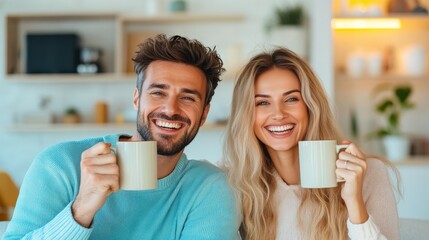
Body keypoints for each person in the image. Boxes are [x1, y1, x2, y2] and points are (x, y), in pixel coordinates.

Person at [4, 34, 240, 239]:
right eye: (158, 92)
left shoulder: (209, 187)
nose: (170, 109)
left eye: (188, 98)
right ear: (137, 99)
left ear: (204, 113)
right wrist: (81, 209)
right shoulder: (60, 164)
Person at [222, 47, 399, 240]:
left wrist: (353, 201)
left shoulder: (366, 174)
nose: (279, 114)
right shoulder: (238, 185)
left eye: (291, 99)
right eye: (262, 103)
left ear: (311, 106)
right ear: (246, 115)